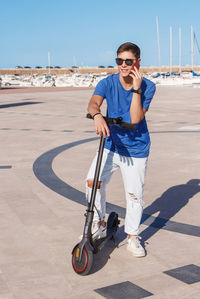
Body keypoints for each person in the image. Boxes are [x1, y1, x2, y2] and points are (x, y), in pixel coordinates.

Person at [86, 42, 156, 257]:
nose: (123, 65)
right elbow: (92, 104)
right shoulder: (107, 82)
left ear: (137, 62)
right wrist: (97, 115)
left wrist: (136, 88)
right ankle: (100, 223)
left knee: (134, 195)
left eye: (128, 61)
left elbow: (135, 118)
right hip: (111, 144)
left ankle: (133, 236)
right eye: (120, 61)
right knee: (92, 182)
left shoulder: (148, 86)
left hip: (135, 148)